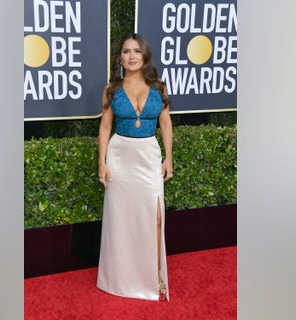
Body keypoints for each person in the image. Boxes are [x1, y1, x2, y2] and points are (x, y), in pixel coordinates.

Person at [96, 33, 174, 302]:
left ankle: (155, 276)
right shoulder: (112, 89)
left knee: (155, 216)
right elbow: (105, 127)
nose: (131, 56)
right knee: (121, 220)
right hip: (120, 157)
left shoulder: (159, 86)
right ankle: (120, 278)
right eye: (126, 51)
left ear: (145, 56)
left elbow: (165, 123)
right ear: (120, 57)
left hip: (148, 156)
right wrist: (102, 163)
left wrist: (168, 158)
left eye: (136, 51)